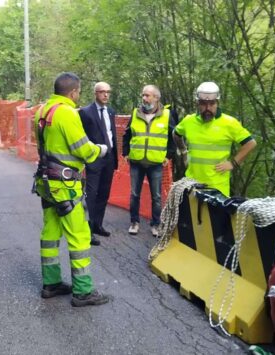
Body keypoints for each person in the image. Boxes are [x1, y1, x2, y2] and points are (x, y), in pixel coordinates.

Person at [32, 72, 110, 307]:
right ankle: (83, 291)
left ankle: (51, 283)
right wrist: (100, 149)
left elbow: (44, 146)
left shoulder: (42, 111)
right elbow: (82, 149)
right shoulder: (67, 113)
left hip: (46, 183)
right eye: (78, 92)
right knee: (79, 237)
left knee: (50, 233)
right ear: (73, 92)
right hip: (66, 186)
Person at [173, 81, 257, 197]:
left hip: (218, 188)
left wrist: (233, 163)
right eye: (203, 104)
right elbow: (176, 133)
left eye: (212, 104)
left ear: (217, 102)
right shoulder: (188, 121)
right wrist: (183, 152)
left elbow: (250, 143)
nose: (208, 108)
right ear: (197, 103)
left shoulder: (229, 123)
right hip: (192, 185)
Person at [122, 85, 176, 238]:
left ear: (156, 98)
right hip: (136, 161)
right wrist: (125, 152)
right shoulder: (135, 113)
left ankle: (156, 224)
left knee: (157, 197)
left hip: (156, 163)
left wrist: (169, 156)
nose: (144, 98)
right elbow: (127, 134)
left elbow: (174, 136)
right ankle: (134, 222)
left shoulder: (166, 115)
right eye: (143, 95)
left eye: (148, 95)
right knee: (134, 194)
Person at [78, 82, 117, 246]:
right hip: (93, 158)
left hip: (108, 158)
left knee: (104, 193)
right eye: (102, 92)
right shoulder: (85, 112)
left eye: (108, 92)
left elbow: (112, 134)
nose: (105, 95)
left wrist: (114, 157)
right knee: (91, 195)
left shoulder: (110, 111)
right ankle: (89, 230)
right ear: (95, 93)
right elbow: (81, 136)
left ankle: (98, 224)